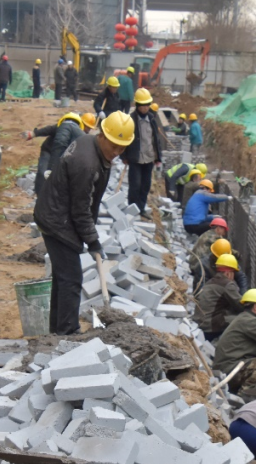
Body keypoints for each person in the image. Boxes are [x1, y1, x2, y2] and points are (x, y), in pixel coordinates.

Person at [33, 112, 135, 335]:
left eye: (122, 148)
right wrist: (93, 241)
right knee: (71, 278)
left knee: (63, 276)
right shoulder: (86, 163)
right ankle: (68, 333)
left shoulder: (89, 143)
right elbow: (80, 210)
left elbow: (83, 206)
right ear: (104, 136)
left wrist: (89, 239)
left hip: (57, 213)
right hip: (57, 219)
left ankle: (57, 330)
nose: (117, 153)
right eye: (114, 146)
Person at [122, 88, 164, 215]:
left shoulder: (151, 118)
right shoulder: (131, 119)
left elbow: (156, 139)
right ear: (137, 105)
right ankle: (132, 209)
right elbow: (124, 138)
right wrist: (124, 155)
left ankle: (141, 208)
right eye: (142, 105)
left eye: (147, 105)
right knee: (135, 185)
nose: (145, 108)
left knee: (145, 185)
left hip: (149, 157)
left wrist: (158, 157)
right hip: (135, 158)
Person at [193, 253, 243, 340]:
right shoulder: (227, 284)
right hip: (209, 327)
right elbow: (241, 305)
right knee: (243, 320)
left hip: (199, 323)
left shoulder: (213, 280)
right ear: (228, 273)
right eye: (233, 272)